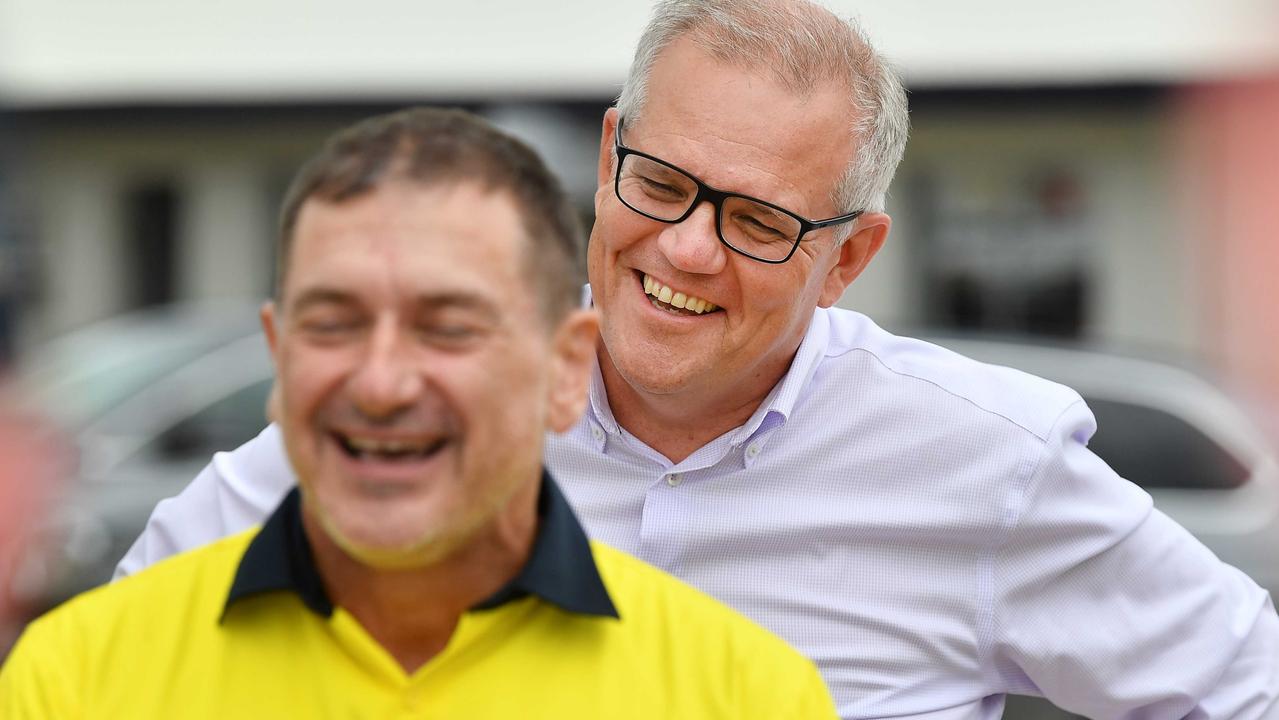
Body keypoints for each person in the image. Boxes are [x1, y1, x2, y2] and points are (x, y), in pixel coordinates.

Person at [118, 1, 1279, 717]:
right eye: (661, 184)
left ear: (850, 256)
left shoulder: (987, 463)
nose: (683, 248)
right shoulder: (415, 414)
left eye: (758, 221)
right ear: (613, 149)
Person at [0, 108, 838, 719]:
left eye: (448, 326)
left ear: (561, 369)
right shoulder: (80, 680)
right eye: (334, 322)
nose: (383, 382)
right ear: (279, 353)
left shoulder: (741, 695)